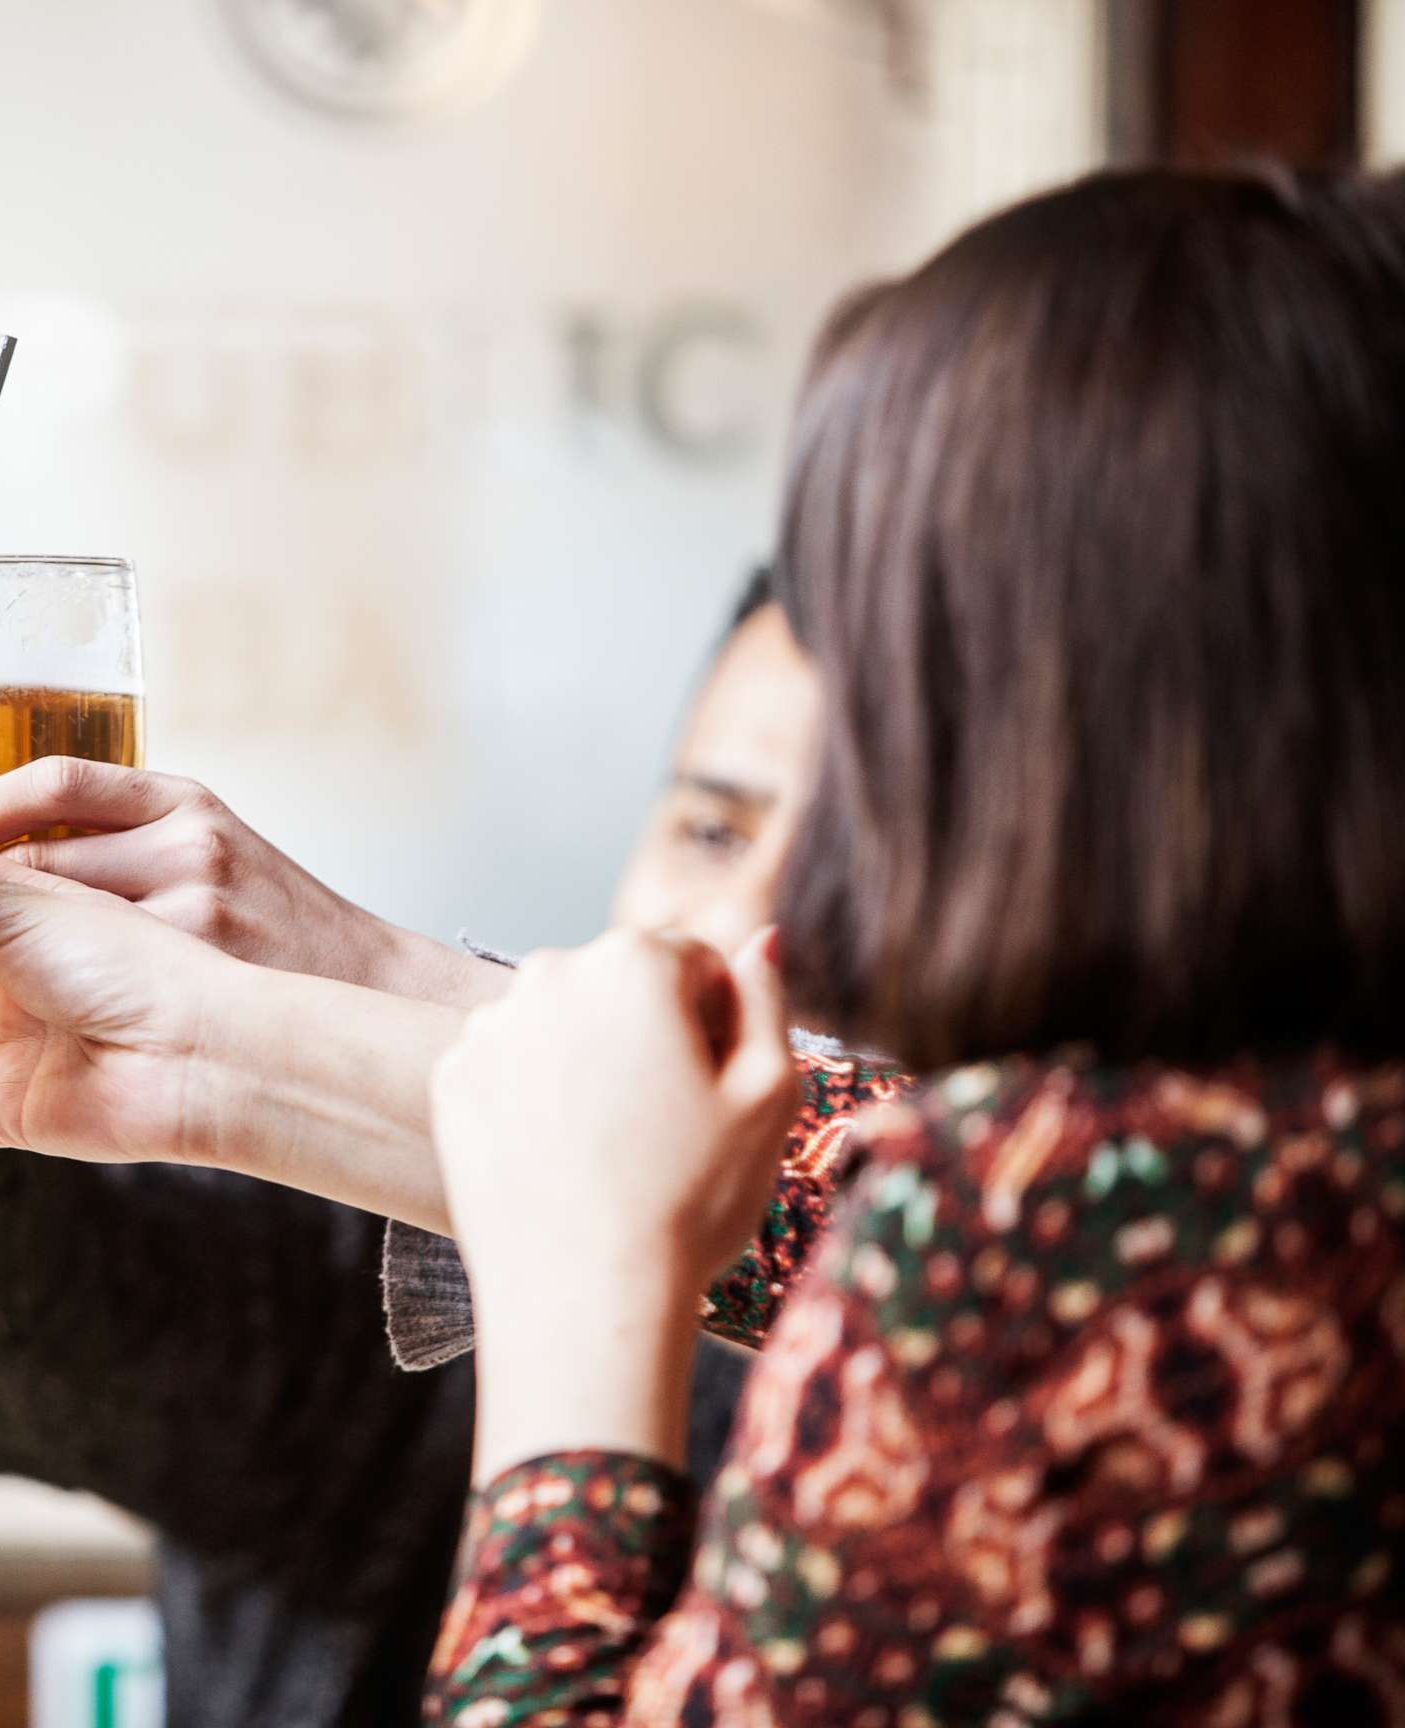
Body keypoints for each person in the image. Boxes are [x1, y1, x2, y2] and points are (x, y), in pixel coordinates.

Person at [419, 165, 1405, 1721]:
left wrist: (582, 1293)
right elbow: (803, 1156)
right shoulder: (1312, 1155)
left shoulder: (1028, 1227)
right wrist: (274, 988)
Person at [0, 569, 902, 1727]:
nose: (748, 924)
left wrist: (336, 982)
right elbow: (75, 1311)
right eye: (712, 828)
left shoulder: (1023, 1379)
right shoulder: (388, 1278)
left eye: (876, 865)